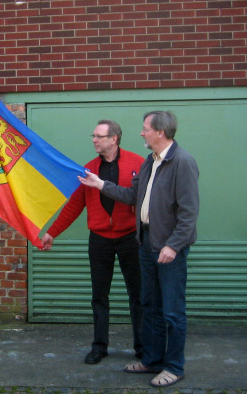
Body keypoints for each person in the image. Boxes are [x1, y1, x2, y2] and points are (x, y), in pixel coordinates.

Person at [78, 111, 199, 388]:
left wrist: (173, 245)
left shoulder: (182, 162)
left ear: (160, 132)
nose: (142, 133)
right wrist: (101, 185)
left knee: (172, 311)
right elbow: (132, 195)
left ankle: (174, 367)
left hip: (169, 250)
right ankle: (152, 360)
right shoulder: (150, 163)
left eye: (145, 129)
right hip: (146, 244)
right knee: (151, 306)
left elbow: (189, 213)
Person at [41, 120, 144, 364]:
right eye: (94, 136)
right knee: (99, 295)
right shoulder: (89, 170)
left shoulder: (138, 163)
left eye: (99, 136)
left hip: (130, 238)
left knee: (138, 295)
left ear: (114, 139)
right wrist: (52, 233)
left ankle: (143, 346)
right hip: (99, 240)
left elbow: (148, 199)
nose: (94, 140)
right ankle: (99, 346)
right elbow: (74, 206)